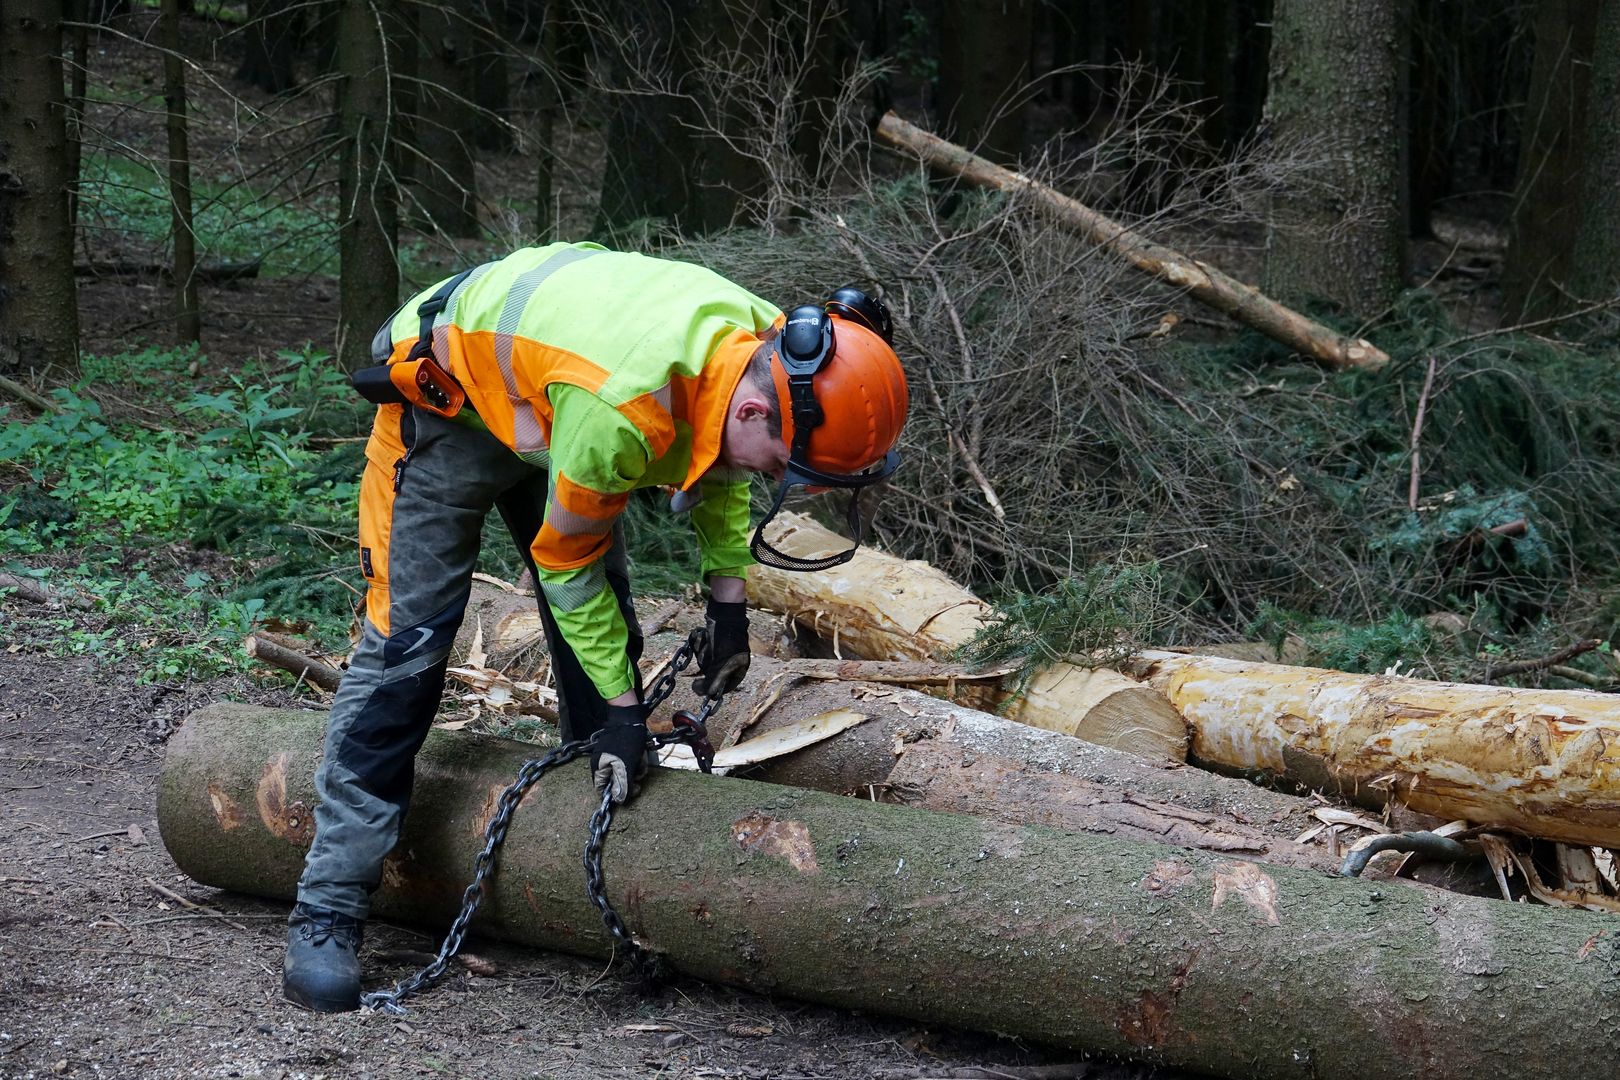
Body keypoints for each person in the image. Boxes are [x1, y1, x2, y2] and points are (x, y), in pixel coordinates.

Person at [281, 240, 910, 1012]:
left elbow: (717, 462)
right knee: (408, 648)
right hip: (445, 393)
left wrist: (726, 603)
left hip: (550, 400)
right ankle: (329, 902)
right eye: (788, 468)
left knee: (605, 626)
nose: (783, 482)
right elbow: (567, 562)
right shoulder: (627, 406)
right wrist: (623, 712)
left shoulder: (761, 348)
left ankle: (590, 845)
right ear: (758, 409)